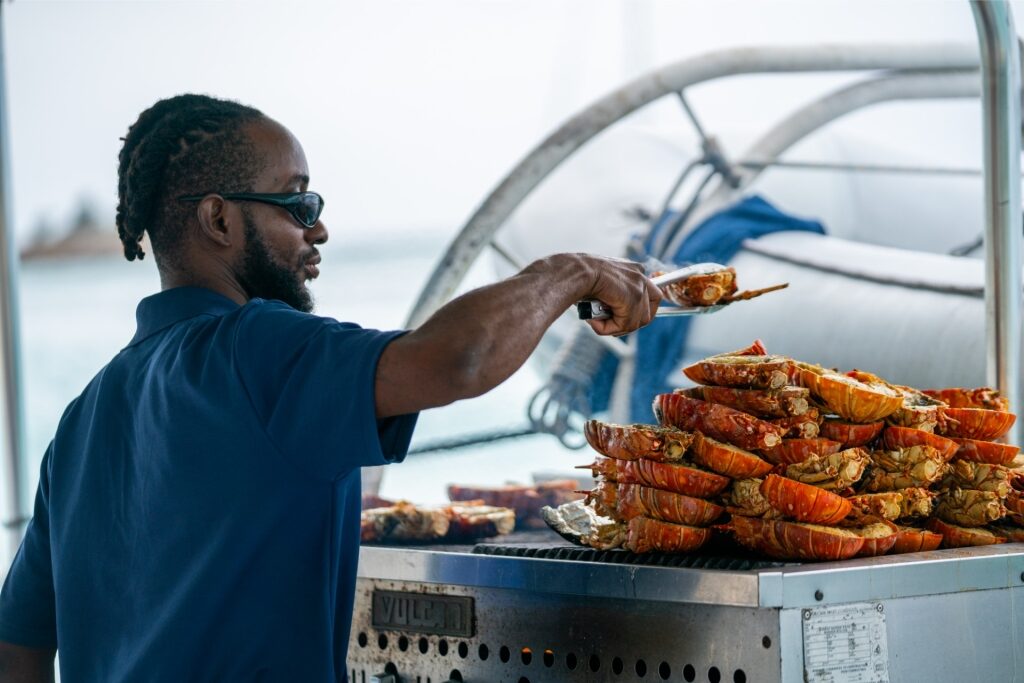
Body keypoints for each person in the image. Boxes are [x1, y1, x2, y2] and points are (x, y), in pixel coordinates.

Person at [0, 94, 661, 682]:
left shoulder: (80, 420)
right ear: (219, 220)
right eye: (299, 203)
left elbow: (17, 646)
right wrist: (571, 271)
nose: (318, 230)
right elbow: (457, 360)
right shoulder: (257, 350)